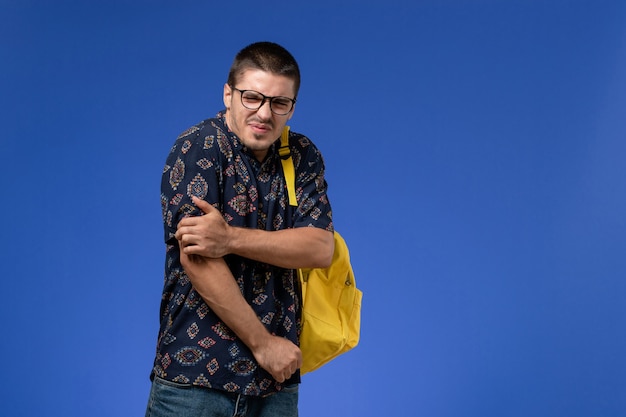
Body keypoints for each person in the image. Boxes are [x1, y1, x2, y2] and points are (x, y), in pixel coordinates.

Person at [145, 41, 335, 417]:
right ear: (228, 94)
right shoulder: (198, 147)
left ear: (292, 106)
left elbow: (319, 248)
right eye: (252, 98)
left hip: (276, 385)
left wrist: (228, 238)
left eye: (280, 103)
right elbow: (198, 259)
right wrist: (263, 344)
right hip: (195, 381)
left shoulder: (301, 154)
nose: (265, 113)